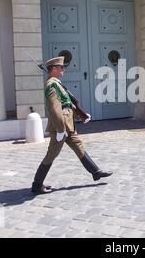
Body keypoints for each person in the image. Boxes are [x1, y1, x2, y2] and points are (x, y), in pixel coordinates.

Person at [31, 56, 113, 194]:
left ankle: (95, 172)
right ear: (55, 68)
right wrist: (60, 130)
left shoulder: (57, 83)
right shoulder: (52, 84)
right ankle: (37, 185)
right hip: (61, 127)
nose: (63, 69)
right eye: (61, 67)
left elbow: (67, 105)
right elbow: (55, 108)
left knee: (78, 146)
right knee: (51, 154)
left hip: (68, 125)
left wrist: (81, 116)